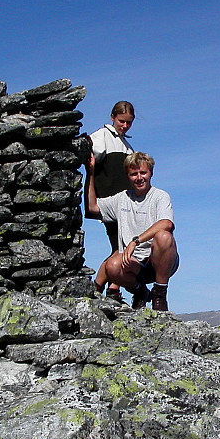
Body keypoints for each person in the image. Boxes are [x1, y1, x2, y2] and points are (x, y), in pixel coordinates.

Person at [84, 151, 179, 312]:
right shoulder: (122, 198)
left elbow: (166, 223)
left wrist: (136, 241)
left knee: (164, 236)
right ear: (128, 176)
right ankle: (140, 291)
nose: (139, 177)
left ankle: (160, 295)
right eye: (134, 174)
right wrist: (91, 173)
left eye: (143, 172)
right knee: (112, 266)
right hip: (134, 264)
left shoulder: (160, 196)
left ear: (151, 173)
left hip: (158, 261)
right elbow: (92, 207)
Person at [87, 101, 136, 302]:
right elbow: (88, 153)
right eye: (122, 121)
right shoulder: (102, 136)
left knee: (121, 248)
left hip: (126, 205)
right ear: (112, 117)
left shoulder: (127, 145)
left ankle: (107, 288)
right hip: (109, 203)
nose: (125, 126)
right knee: (120, 249)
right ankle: (104, 288)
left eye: (129, 123)